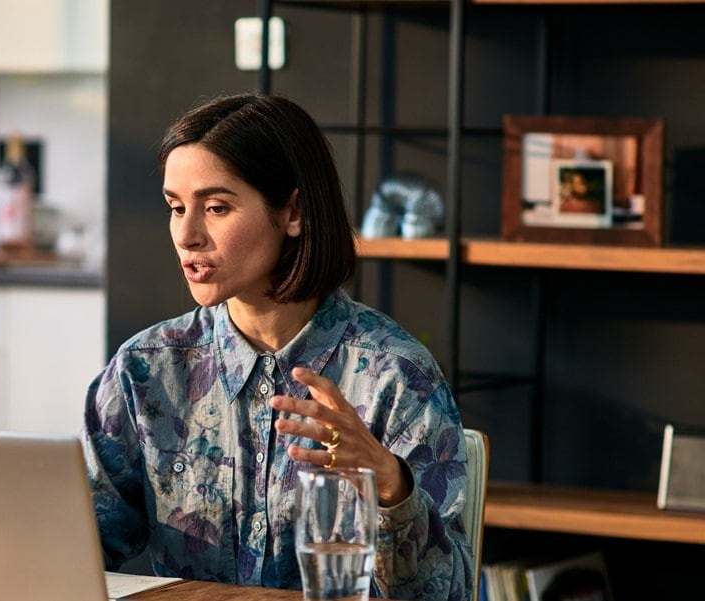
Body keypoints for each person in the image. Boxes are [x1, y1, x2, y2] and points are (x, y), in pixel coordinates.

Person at [80, 93, 472, 600]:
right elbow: (79, 548)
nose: (187, 234)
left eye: (216, 207)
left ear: (293, 211)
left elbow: (451, 593)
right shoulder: (143, 371)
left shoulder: (395, 376)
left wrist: (392, 488)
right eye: (175, 207)